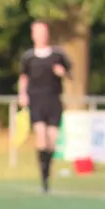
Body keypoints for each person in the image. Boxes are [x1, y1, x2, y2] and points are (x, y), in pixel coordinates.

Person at [17, 21, 74, 192]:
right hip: (36, 100)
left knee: (52, 140)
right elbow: (23, 77)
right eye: (37, 32)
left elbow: (70, 73)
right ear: (33, 35)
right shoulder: (28, 57)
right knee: (41, 137)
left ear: (47, 34)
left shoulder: (58, 55)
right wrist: (22, 94)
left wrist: (62, 72)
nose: (40, 35)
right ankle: (44, 180)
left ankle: (47, 171)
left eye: (43, 32)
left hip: (54, 100)